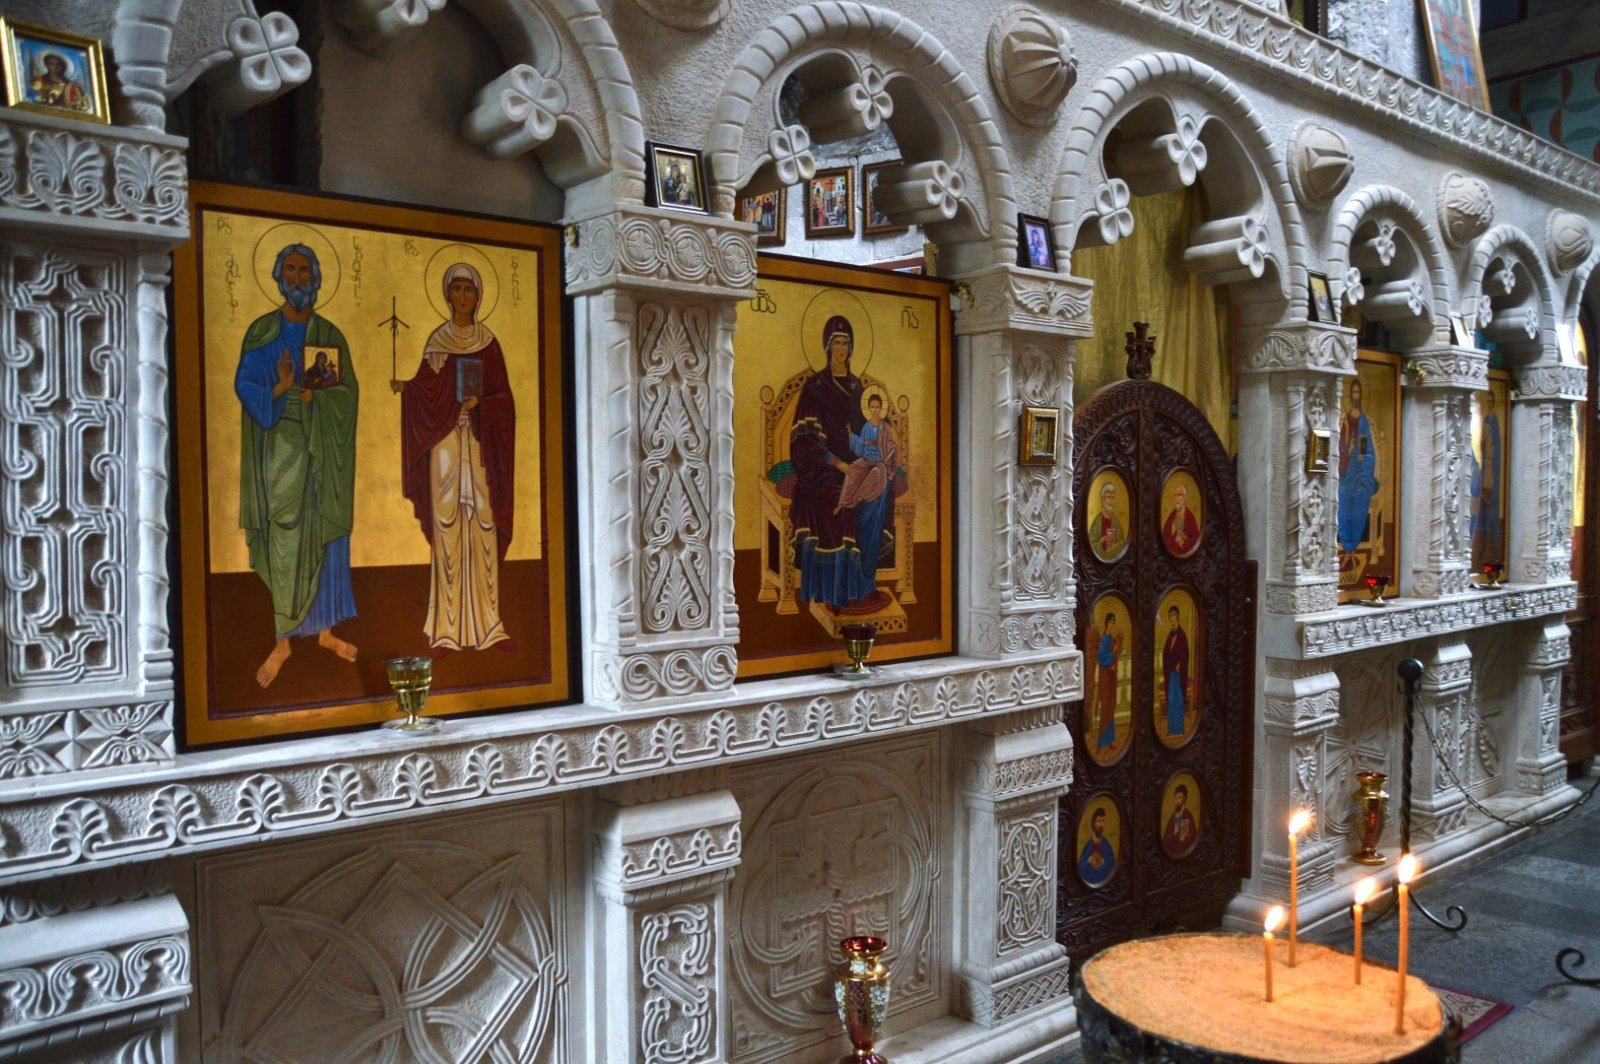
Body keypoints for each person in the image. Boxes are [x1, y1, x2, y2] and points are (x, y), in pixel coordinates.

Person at [234, 244, 359, 688]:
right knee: (286, 544)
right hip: (278, 449)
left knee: (324, 539)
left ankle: (325, 632)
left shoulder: (330, 334)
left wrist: (317, 399)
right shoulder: (262, 332)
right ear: (278, 276)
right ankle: (284, 638)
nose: (299, 277)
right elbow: (245, 384)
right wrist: (283, 389)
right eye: (291, 269)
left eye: (306, 270)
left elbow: (348, 396)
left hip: (321, 452)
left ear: (318, 277)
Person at [393, 263, 516, 658]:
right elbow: (427, 394)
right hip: (445, 443)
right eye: (457, 289)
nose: (463, 297)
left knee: (482, 521)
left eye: (469, 290)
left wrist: (484, 404)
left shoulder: (489, 343)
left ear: (478, 296)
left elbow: (506, 401)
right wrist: (409, 388)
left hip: (479, 442)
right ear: (448, 295)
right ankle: (446, 628)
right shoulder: (437, 340)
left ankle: (489, 624)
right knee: (447, 523)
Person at [789, 316, 900, 613]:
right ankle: (838, 590)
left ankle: (863, 584)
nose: (841, 347)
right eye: (837, 342)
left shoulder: (859, 390)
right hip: (824, 469)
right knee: (840, 499)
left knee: (881, 490)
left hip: (860, 464)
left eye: (846, 343)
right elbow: (803, 441)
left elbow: (873, 430)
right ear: (827, 347)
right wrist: (839, 465)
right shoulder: (815, 388)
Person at [835, 392, 898, 513]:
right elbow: (861, 446)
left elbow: (890, 444)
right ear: (869, 408)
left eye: (877, 407)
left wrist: (892, 448)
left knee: (875, 472)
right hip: (866, 460)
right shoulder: (866, 427)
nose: (875, 410)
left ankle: (859, 496)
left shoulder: (885, 427)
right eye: (872, 406)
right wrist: (850, 434)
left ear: (881, 409)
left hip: (880, 462)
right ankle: (843, 502)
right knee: (851, 470)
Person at [1338, 379, 1379, 553]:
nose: (1355, 395)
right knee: (1343, 497)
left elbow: (1368, 451)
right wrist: (1348, 443)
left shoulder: (1363, 421)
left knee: (1362, 495)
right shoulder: (1346, 421)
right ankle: (1345, 541)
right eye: (1353, 392)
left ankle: (1353, 543)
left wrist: (1363, 457)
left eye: (1357, 392)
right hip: (1347, 471)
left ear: (1361, 395)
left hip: (1362, 472)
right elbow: (1340, 448)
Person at [1470, 395, 1503, 563]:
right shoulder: (1482, 420)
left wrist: (1488, 445)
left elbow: (1495, 444)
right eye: (1486, 401)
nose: (1488, 404)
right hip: (1481, 469)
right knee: (1479, 511)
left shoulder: (1493, 420)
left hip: (1490, 469)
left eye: (1491, 401)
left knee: (1489, 510)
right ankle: (1478, 550)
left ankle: (1491, 550)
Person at [1090, 611, 1122, 753]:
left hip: (1112, 677)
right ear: (1106, 623)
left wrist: (1115, 659)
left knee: (1111, 706)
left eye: (1113, 623)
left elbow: (1116, 656)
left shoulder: (1113, 639)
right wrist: (1112, 655)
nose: (1112, 625)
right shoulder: (1103, 640)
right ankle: (1101, 741)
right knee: (1105, 707)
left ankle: (1111, 739)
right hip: (1104, 677)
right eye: (1110, 622)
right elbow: (1102, 659)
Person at [1162, 604, 1190, 740]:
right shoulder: (1169, 635)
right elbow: (1165, 653)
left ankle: (1180, 729)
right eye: (1169, 617)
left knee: (1178, 699)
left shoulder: (1182, 635)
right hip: (1170, 673)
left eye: (1173, 616)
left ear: (1177, 617)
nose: (1171, 619)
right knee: (1171, 699)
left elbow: (1185, 653)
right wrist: (1168, 665)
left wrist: (1180, 663)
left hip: (1179, 674)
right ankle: (1171, 729)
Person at [1078, 807, 1117, 886]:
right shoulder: (1088, 845)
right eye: (1099, 821)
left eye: (1103, 821)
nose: (1101, 825)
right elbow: (1080, 867)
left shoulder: (1106, 844)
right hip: (1088, 884)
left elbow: (1112, 865)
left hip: (1103, 884)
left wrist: (1103, 862)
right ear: (1093, 823)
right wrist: (1088, 861)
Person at [1162, 481, 1201, 556]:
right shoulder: (1172, 515)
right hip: (1171, 554)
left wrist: (1185, 539)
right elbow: (1164, 538)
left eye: (1179, 495)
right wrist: (1172, 532)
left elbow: (1196, 539)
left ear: (1185, 497)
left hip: (1185, 555)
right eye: (1175, 495)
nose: (1177, 498)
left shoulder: (1190, 516)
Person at [1091, 479, 1126, 559]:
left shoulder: (1115, 521)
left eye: (1112, 498)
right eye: (1108, 497)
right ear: (1103, 499)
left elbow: (1121, 542)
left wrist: (1112, 547)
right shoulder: (1097, 522)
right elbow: (1091, 544)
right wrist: (1101, 541)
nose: (1110, 501)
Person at [1163, 784, 1198, 857]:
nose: (1177, 801)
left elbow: (1189, 837)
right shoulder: (1173, 817)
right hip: (1171, 852)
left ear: (1184, 799)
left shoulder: (1186, 815)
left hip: (1183, 853)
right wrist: (1173, 835)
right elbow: (1166, 838)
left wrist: (1184, 838)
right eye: (1175, 799)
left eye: (1179, 798)